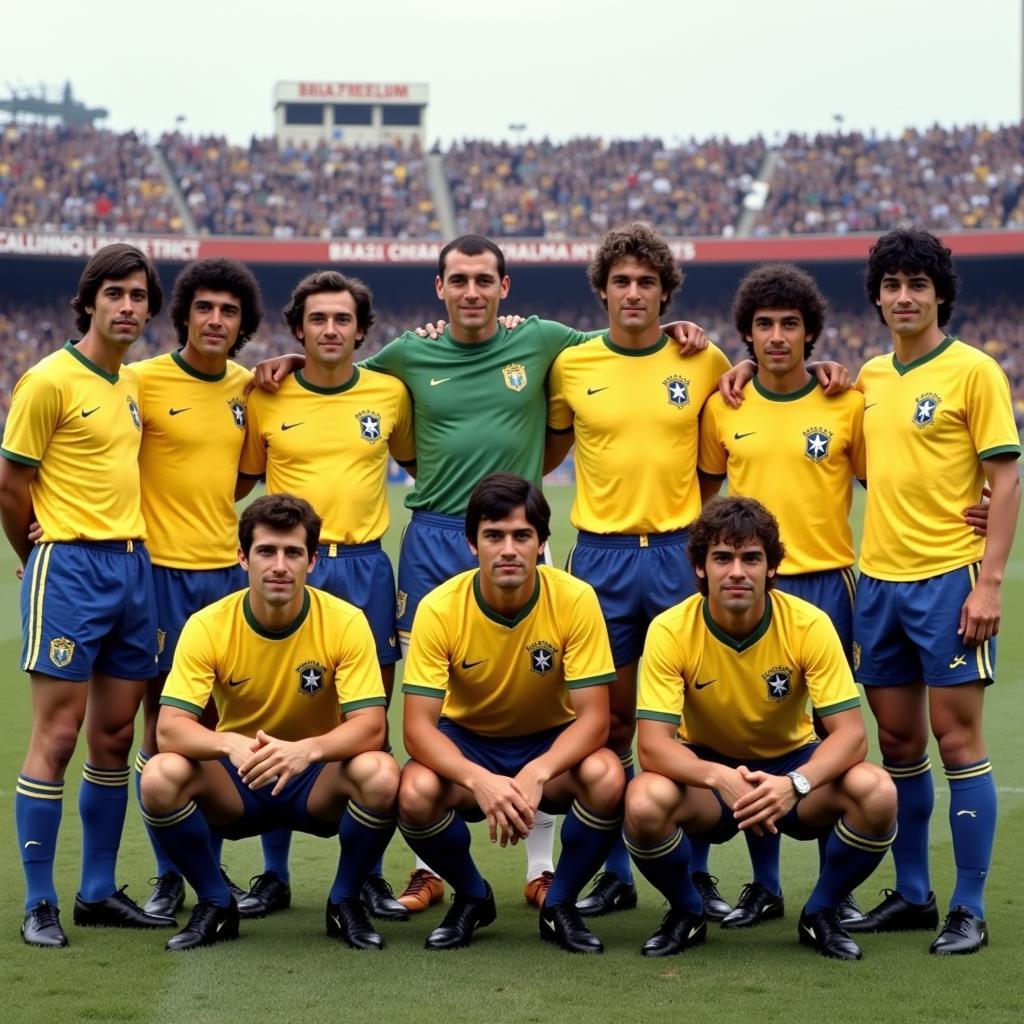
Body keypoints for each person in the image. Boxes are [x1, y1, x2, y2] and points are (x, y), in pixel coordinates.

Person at [254, 234, 707, 913]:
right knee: (427, 695)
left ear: (505, 288)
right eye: (458, 279)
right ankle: (423, 866)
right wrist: (291, 358)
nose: (470, 291)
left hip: (516, 538)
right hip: (434, 536)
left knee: (548, 691)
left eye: (482, 279)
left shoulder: (545, 341)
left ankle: (542, 863)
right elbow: (339, 368)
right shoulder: (406, 356)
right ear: (439, 289)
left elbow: (619, 333)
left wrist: (676, 328)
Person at [543, 222, 731, 920]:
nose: (633, 292)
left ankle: (698, 868)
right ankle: (616, 870)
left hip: (680, 553)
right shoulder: (571, 365)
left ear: (665, 292)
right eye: (620, 280)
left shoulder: (702, 358)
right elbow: (549, 438)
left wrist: (683, 523)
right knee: (611, 719)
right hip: (601, 557)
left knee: (696, 713)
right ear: (601, 290)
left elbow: (718, 450)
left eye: (646, 281)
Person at [842, 227, 1020, 955]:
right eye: (892, 285)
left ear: (940, 292)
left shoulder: (974, 370)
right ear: (878, 296)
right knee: (900, 743)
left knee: (957, 740)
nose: (905, 297)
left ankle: (968, 907)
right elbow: (864, 469)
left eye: (918, 284)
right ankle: (913, 895)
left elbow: (1006, 478)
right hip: (878, 581)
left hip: (950, 582)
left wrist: (989, 582)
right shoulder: (869, 379)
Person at [625, 497, 897, 961]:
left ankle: (821, 911)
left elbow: (852, 735)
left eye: (751, 558)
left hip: (791, 767)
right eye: (723, 558)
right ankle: (687, 912)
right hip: (708, 775)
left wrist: (797, 783)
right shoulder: (671, 629)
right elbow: (652, 746)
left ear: (771, 568)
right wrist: (718, 777)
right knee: (644, 801)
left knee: (877, 791)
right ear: (699, 567)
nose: (737, 571)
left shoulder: (809, 624)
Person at [0, 243, 175, 946]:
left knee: (113, 736)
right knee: (59, 734)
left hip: (135, 569)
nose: (128, 307)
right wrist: (35, 553)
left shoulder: (130, 384)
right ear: (90, 301)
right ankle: (39, 900)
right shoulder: (48, 380)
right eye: (116, 294)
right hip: (69, 568)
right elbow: (12, 486)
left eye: (139, 296)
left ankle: (97, 891)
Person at [138, 494, 400, 951]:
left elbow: (371, 726)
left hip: (316, 783)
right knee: (160, 776)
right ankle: (216, 903)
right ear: (243, 558)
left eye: (293, 552)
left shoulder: (345, 622)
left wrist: (307, 750)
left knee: (380, 773)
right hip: (239, 782)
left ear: (312, 560)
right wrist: (228, 744)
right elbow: (169, 728)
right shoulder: (208, 625)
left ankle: (344, 901)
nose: (279, 565)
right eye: (266, 551)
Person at [240, 269, 415, 921]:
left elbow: (421, 462)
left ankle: (364, 874)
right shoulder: (266, 395)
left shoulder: (390, 394)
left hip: (367, 569)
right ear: (298, 329)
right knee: (276, 718)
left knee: (368, 729)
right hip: (292, 570)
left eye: (343, 320)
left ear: (362, 330)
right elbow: (232, 478)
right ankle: (273, 874)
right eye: (318, 320)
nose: (331, 330)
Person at [697, 263, 864, 927]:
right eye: (763, 325)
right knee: (743, 730)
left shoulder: (845, 402)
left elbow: (895, 476)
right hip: (745, 581)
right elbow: (704, 494)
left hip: (828, 582)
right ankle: (760, 885)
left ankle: (833, 889)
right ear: (746, 334)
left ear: (811, 333)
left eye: (789, 324)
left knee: (827, 733)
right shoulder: (724, 405)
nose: (775, 336)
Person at [397, 473, 624, 953]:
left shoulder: (575, 598)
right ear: (471, 544)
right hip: (469, 741)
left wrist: (539, 771)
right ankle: (473, 895)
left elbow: (594, 719)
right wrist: (479, 780)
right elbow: (417, 728)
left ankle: (560, 902)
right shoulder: (439, 607)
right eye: (493, 536)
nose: (508, 549)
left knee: (607, 775)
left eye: (522, 536)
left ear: (542, 542)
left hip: (548, 741)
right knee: (414, 791)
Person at [132, 257, 265, 919]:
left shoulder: (250, 386)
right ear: (183, 312)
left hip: (222, 573)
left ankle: (206, 870)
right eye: (205, 307)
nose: (216, 320)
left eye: (229, 310)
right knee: (161, 726)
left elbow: (239, 480)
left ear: (243, 322)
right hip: (155, 575)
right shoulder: (140, 380)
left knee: (212, 724)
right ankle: (167, 876)